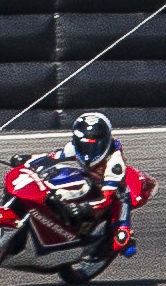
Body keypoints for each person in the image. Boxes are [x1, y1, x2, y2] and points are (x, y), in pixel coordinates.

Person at [45, 110, 150, 260]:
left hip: (114, 193)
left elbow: (106, 199)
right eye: (84, 145)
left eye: (94, 146)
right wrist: (27, 159)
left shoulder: (115, 164)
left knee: (123, 243)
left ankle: (114, 239)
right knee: (58, 179)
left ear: (105, 142)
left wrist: (85, 208)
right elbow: (53, 157)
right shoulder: (76, 145)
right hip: (90, 180)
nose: (88, 152)